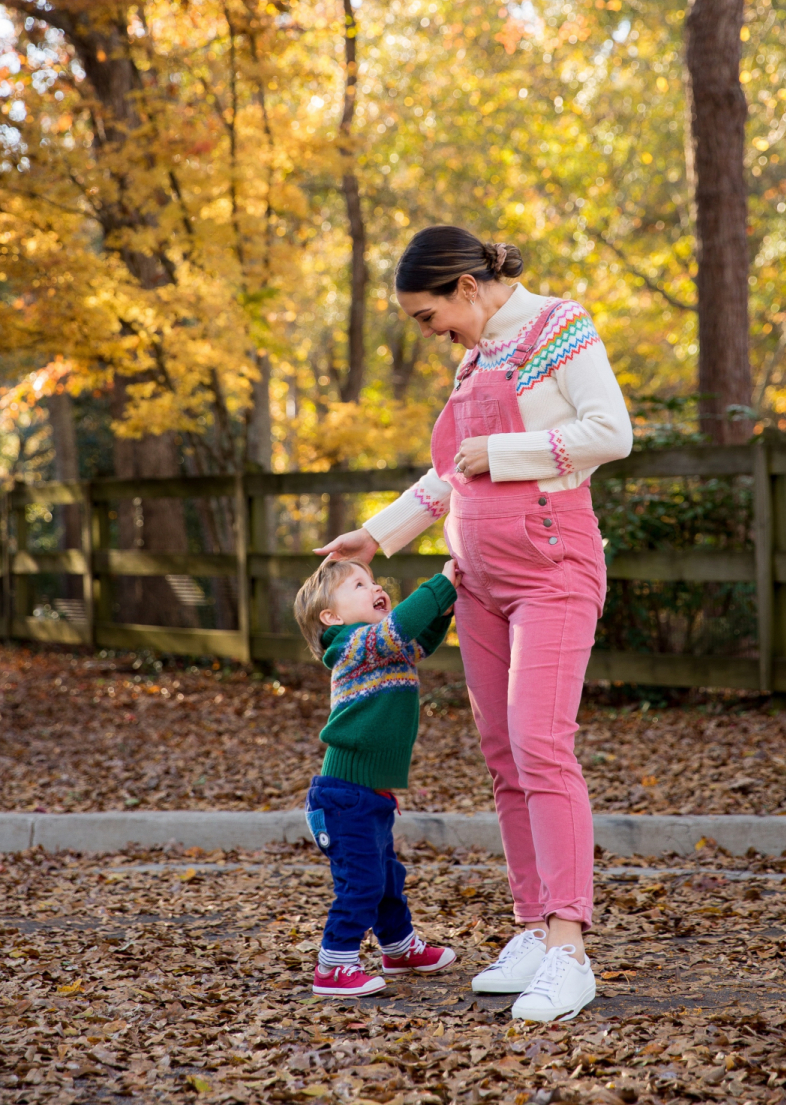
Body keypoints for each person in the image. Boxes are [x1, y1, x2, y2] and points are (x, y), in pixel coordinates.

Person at [315, 225, 633, 1023]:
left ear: (463, 286)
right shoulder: (475, 357)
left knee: (539, 742)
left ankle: (568, 947)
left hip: (554, 568)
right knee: (501, 751)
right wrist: (377, 535)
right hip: (479, 584)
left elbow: (610, 433)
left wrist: (507, 449)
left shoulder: (559, 325)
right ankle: (530, 925)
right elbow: (449, 475)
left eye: (429, 317)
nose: (430, 335)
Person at [293, 553, 459, 998]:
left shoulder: (383, 646)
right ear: (331, 616)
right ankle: (334, 964)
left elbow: (417, 641)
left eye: (373, 581)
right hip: (343, 795)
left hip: (373, 793)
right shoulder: (351, 645)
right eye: (359, 586)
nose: (375, 588)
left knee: (386, 878)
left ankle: (398, 947)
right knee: (362, 882)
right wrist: (439, 587)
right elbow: (398, 629)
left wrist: (445, 607)